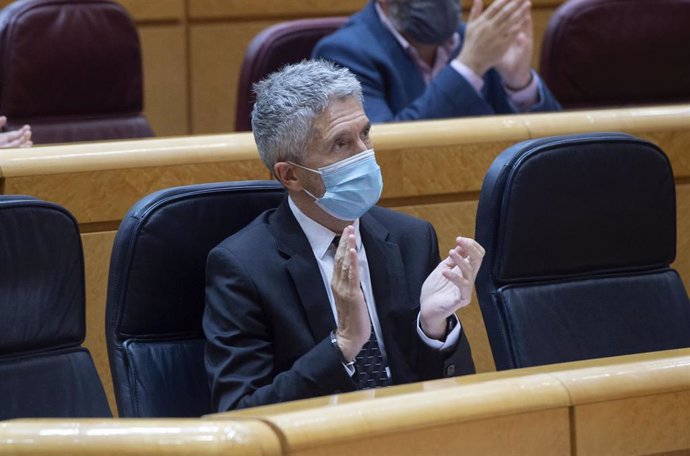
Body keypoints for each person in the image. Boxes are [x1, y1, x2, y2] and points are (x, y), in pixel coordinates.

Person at [204, 60, 484, 412]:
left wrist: (434, 329)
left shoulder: (410, 239)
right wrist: (343, 346)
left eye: (364, 133)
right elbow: (240, 412)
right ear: (290, 175)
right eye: (341, 144)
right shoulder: (243, 269)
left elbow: (451, 393)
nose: (365, 154)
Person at [312, 0, 561, 123]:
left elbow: (553, 146)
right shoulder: (343, 54)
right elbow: (383, 153)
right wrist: (468, 69)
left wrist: (519, 84)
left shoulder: (475, 40)